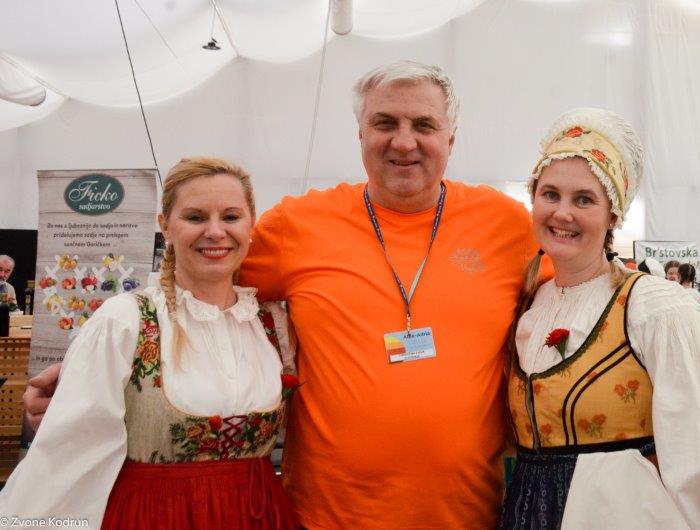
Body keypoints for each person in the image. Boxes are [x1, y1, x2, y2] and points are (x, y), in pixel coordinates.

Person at [23, 62, 552, 529]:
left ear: (452, 137)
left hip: (468, 513)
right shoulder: (300, 223)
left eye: (424, 125)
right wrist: (97, 364)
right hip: (324, 515)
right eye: (385, 123)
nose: (404, 141)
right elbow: (198, 282)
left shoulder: (507, 225)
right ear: (361, 133)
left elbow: (573, 304)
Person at [502, 108, 700, 529]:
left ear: (613, 215)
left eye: (584, 199)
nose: (562, 213)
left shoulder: (654, 307)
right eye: (550, 194)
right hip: (528, 511)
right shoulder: (533, 302)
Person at [2, 157, 299, 529]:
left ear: (251, 223)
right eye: (195, 217)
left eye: (230, 216)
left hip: (260, 515)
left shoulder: (271, 325)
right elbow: (67, 459)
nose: (215, 231)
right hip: (155, 517)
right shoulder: (124, 321)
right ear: (165, 226)